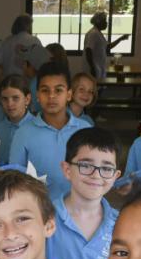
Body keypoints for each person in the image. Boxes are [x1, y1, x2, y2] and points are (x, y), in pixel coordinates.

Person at [47, 128, 121, 259]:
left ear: (116, 176)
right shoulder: (45, 217)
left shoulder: (121, 223)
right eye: (86, 165)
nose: (96, 175)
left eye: (106, 168)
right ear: (67, 170)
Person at [9, 62, 92, 200]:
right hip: (38, 208)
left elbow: (93, 171)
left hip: (78, 208)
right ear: (37, 95)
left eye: (58, 90)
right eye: (45, 90)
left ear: (69, 94)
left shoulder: (85, 129)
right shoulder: (23, 133)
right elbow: (14, 178)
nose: (51, 96)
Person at [0, 74, 33, 166]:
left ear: (27, 99)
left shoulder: (37, 128)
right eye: (5, 99)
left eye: (15, 98)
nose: (9, 104)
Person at [0, 14, 44, 78]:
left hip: (8, 80)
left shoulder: (7, 41)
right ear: (28, 26)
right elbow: (41, 63)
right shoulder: (35, 41)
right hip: (27, 81)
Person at [84, 11, 129, 80]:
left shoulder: (98, 33)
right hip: (94, 69)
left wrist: (120, 39)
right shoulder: (93, 34)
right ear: (98, 22)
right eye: (104, 21)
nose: (106, 23)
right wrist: (92, 68)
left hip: (98, 68)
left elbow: (108, 47)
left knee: (99, 88)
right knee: (94, 89)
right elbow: (88, 50)